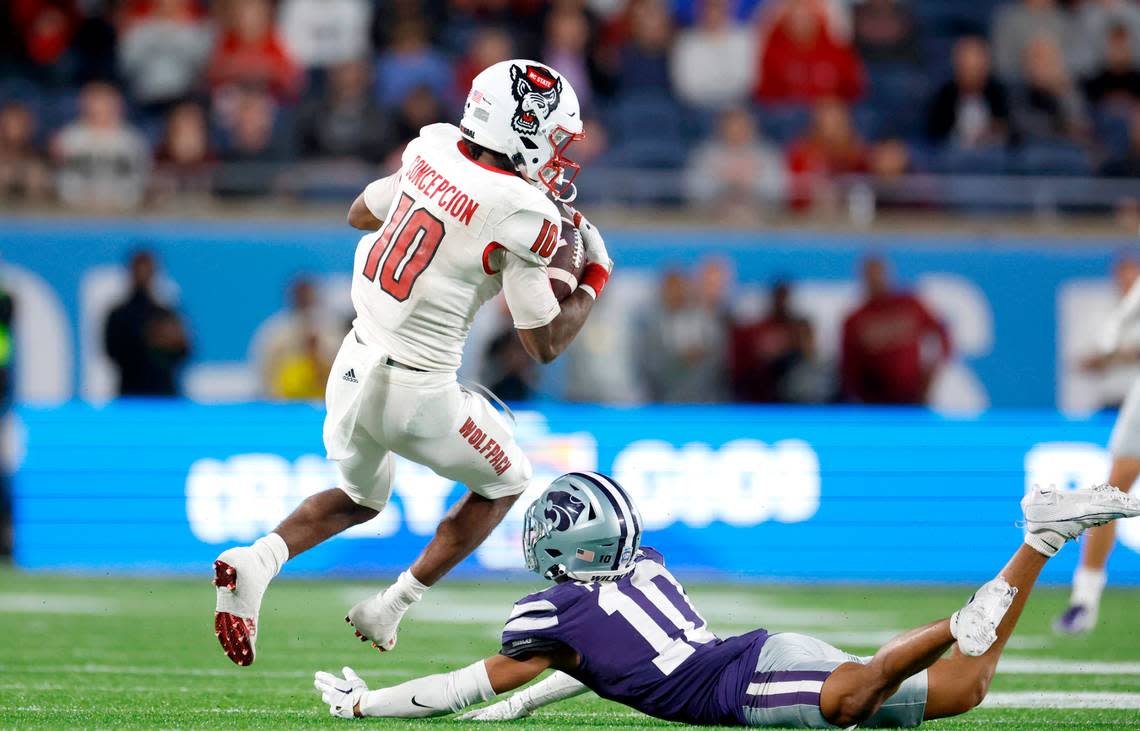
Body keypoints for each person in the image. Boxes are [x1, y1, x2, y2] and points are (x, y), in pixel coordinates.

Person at [213, 60, 613, 668]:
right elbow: (543, 344)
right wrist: (593, 279)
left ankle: (258, 558)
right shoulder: (521, 213)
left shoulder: (435, 147)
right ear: (523, 129)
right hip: (419, 391)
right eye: (554, 137)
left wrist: (441, 216)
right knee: (508, 479)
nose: (558, 155)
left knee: (359, 497)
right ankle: (393, 604)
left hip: (351, 367)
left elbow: (360, 214)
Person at [313, 472, 1140, 726]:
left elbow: (460, 685)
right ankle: (1041, 537)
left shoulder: (553, 617)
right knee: (967, 688)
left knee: (851, 701)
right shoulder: (644, 569)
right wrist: (527, 705)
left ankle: (963, 619)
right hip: (752, 652)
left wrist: (364, 707)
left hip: (740, 683)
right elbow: (613, 663)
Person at [1055, 256, 1140, 633]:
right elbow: (1092, 352)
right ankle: (1084, 599)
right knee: (1112, 491)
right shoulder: (1114, 310)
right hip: (1125, 399)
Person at [840, 257, 950, 405]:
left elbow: (941, 332)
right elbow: (848, 365)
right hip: (876, 401)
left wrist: (932, 371)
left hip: (913, 395)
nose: (875, 279)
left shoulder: (909, 305)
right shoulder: (855, 319)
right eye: (870, 275)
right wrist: (860, 393)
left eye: (878, 273)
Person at [103, 250, 192, 397]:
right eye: (139, 269)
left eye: (147, 269)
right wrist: (147, 339)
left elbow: (185, 353)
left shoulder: (167, 314)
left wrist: (174, 342)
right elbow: (111, 352)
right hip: (131, 394)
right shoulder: (119, 315)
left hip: (164, 395)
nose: (143, 274)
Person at [52, 82, 151, 211]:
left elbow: (138, 180)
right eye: (95, 101)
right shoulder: (68, 139)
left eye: (106, 102)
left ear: (118, 105)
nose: (100, 108)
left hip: (122, 215)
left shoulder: (133, 141)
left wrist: (114, 203)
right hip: (76, 214)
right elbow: (64, 179)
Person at [250, 278, 343, 401]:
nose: (305, 300)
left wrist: (317, 354)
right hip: (285, 405)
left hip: (325, 402)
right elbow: (264, 373)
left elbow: (342, 369)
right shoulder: (275, 332)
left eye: (308, 296)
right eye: (301, 297)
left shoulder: (331, 328)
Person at [926, 37, 1010, 150]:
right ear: (956, 64)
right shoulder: (944, 95)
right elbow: (935, 135)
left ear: (987, 65)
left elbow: (1010, 132)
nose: (972, 74)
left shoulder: (1001, 93)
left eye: (976, 68)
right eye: (967, 68)